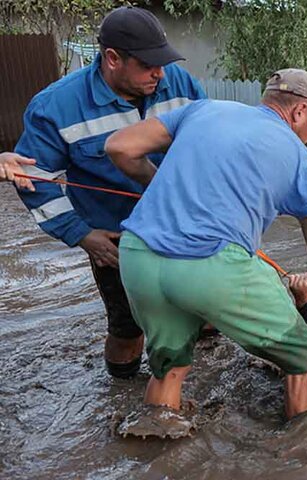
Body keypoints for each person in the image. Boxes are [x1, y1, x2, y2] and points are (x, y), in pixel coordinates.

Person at [104, 68, 307, 421]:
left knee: (169, 368)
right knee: (304, 354)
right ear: (299, 111)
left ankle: (157, 455)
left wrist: (157, 184)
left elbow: (119, 146)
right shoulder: (302, 160)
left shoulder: (203, 109)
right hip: (209, 266)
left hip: (137, 256)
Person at [13, 7, 206, 379]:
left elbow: (207, 144)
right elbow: (36, 179)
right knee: (127, 329)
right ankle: (120, 393)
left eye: (163, 62)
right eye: (149, 65)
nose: (160, 74)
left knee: (203, 308)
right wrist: (82, 235)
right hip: (116, 240)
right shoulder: (56, 107)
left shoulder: (178, 84)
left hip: (183, 225)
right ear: (112, 59)